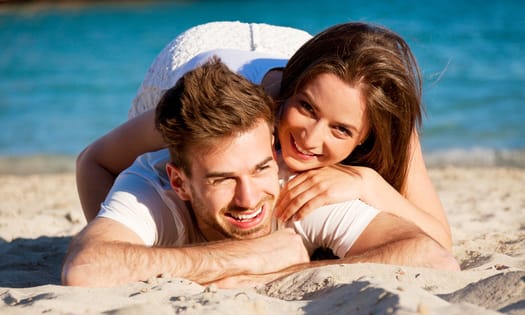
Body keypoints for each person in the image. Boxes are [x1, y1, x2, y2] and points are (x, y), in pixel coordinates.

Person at [62, 59, 458, 288]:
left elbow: (434, 254)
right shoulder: (152, 180)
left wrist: (287, 271)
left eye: (260, 168)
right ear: (178, 181)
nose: (249, 199)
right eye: (222, 179)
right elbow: (86, 267)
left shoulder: (300, 178)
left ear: (273, 152)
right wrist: (252, 254)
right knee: (178, 118)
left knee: (381, 108)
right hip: (195, 62)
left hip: (305, 72)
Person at [75, 21, 452, 253]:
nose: (310, 138)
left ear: (365, 136)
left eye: (341, 130)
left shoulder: (369, 108)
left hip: (293, 44)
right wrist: (123, 233)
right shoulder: (218, 105)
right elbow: (93, 161)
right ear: (289, 91)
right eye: (306, 108)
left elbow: (439, 240)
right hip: (197, 54)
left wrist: (368, 183)